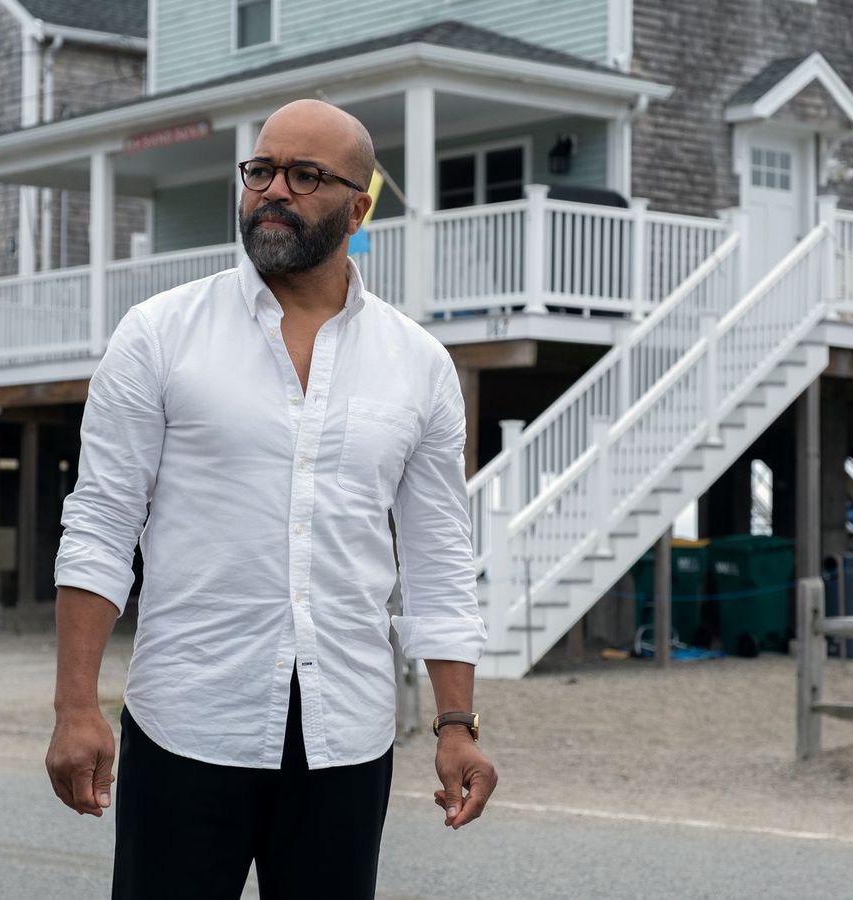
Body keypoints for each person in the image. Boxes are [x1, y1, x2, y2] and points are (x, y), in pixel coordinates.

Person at [46, 99, 497, 900]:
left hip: (345, 743)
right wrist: (75, 706)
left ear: (359, 206)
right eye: (261, 171)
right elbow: (101, 525)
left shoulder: (418, 364)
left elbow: (436, 557)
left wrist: (456, 725)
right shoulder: (158, 334)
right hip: (186, 726)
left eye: (305, 175)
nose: (273, 190)